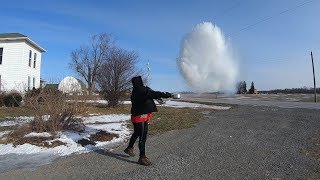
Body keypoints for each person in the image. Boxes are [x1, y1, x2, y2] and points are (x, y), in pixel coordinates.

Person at [124, 76, 172, 166]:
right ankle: (142, 157)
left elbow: (150, 94)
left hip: (140, 115)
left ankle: (129, 148)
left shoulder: (138, 90)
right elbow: (153, 93)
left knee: (137, 133)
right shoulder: (140, 90)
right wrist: (167, 94)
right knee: (142, 136)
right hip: (140, 116)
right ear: (140, 82)